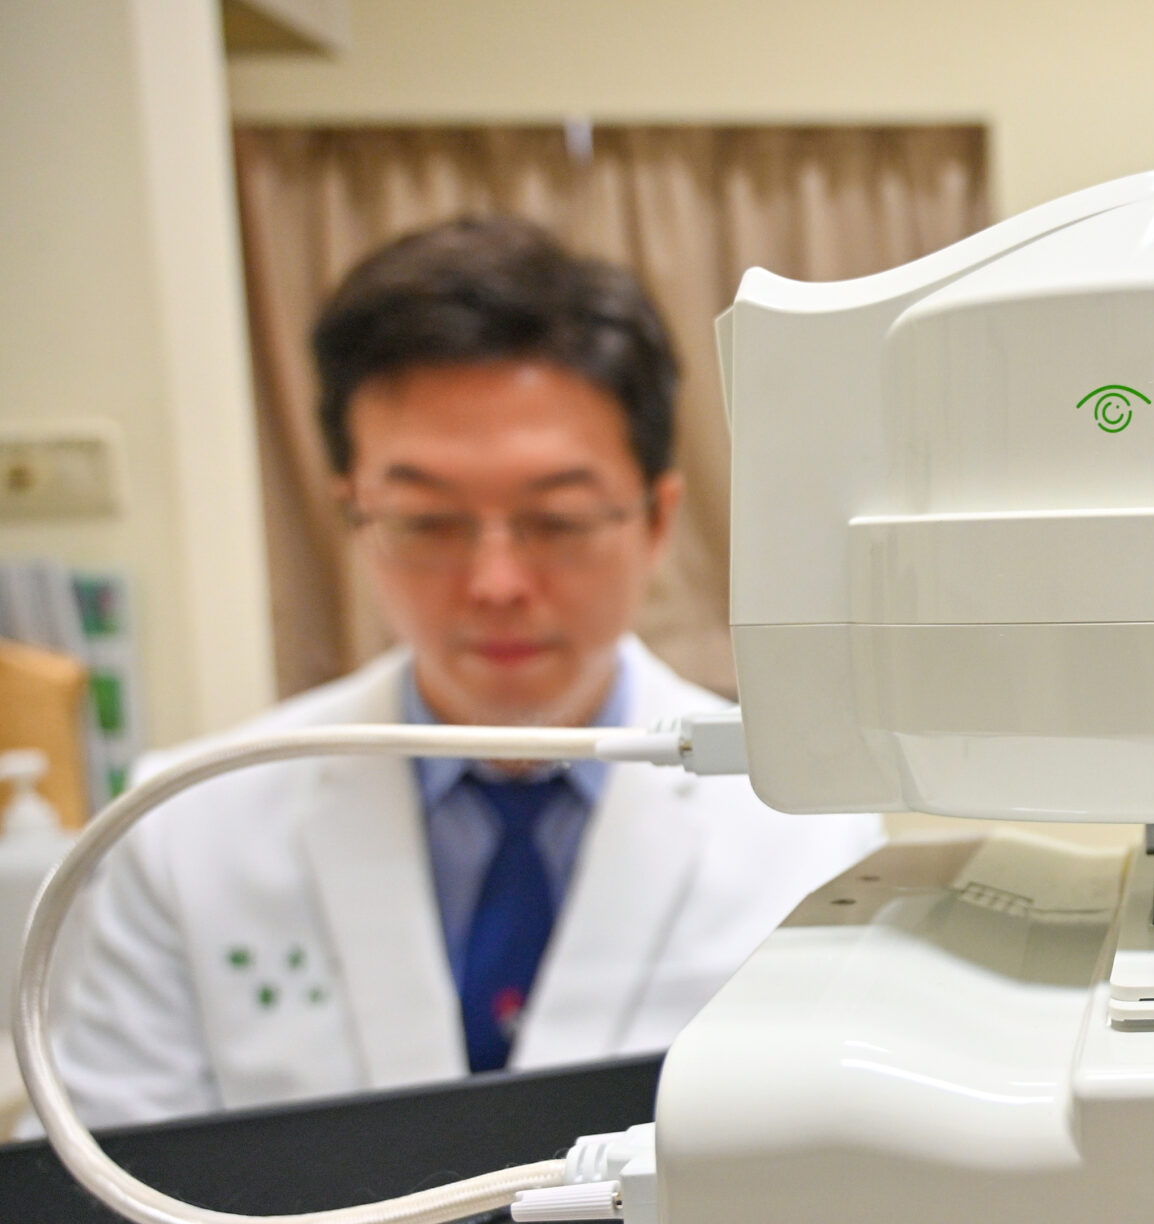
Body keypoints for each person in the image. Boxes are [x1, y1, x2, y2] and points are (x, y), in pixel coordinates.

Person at [53, 217, 881, 1124]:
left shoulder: (810, 825)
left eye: (558, 520)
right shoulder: (182, 825)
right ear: (355, 517)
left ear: (655, 518)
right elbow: (103, 1192)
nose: (495, 584)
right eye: (428, 522)